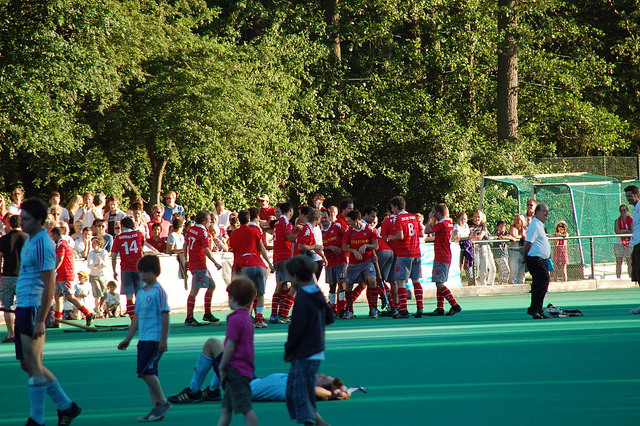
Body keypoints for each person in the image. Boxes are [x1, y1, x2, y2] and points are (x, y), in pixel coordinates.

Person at [15, 198, 82, 426]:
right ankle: (67, 406)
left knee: (34, 363)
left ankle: (37, 419)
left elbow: (50, 284)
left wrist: (41, 319)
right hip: (24, 305)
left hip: (34, 306)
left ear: (39, 220)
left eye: (26, 219)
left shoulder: (44, 243)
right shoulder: (30, 240)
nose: (21, 223)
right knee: (28, 363)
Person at [168, 337, 361, 404]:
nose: (320, 374)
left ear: (322, 387)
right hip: (251, 379)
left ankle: (194, 392)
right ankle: (211, 392)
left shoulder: (301, 389)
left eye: (323, 377)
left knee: (212, 344)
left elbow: (317, 391)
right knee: (231, 347)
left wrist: (333, 392)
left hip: (240, 385)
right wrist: (342, 387)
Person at [118, 254, 171, 422]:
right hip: (143, 339)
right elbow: (136, 318)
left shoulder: (159, 292)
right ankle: (156, 409)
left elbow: (165, 316)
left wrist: (163, 340)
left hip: (154, 339)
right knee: (149, 372)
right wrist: (128, 338)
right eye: (140, 272)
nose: (142, 275)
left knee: (144, 371)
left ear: (155, 272)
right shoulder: (140, 293)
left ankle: (163, 402)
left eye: (145, 272)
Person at [284, 255, 334, 426]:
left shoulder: (302, 298)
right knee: (303, 390)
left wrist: (289, 349)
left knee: (299, 393)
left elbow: (296, 328)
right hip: (316, 349)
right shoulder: (316, 294)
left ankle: (313, 422)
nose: (289, 280)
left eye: (290, 276)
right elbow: (329, 317)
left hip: (304, 351)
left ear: (296, 276)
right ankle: (318, 422)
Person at [216, 276, 259, 426]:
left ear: (233, 298)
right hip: (245, 367)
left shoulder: (234, 319)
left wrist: (222, 365)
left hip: (236, 369)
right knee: (226, 407)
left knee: (246, 408)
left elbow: (230, 346)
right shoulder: (248, 318)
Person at [228, 210, 275, 328]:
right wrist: (269, 263)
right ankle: (259, 319)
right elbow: (262, 249)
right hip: (260, 265)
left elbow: (235, 252)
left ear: (239, 220)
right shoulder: (255, 231)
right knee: (260, 294)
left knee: (247, 295)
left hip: (245, 265)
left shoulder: (233, 234)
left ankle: (246, 320)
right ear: (249, 219)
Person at [387, 196, 424, 318]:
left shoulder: (399, 219)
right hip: (416, 252)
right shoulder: (414, 217)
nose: (392, 210)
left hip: (404, 253)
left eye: (392, 208)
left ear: (396, 207)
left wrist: (390, 237)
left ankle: (403, 310)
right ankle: (420, 307)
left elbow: (400, 236)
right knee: (416, 280)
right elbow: (421, 233)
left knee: (400, 281)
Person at [184, 210, 223, 326]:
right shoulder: (202, 232)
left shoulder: (191, 229)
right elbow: (206, 249)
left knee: (211, 285)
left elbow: (185, 244)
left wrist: (186, 259)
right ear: (205, 221)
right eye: (209, 221)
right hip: (199, 264)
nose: (210, 223)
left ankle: (207, 313)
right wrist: (216, 262)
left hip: (195, 263)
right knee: (195, 290)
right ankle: (189, 318)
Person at [51, 226, 95, 326]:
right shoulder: (60, 244)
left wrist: (53, 269)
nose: (52, 238)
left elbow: (60, 258)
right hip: (60, 274)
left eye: (53, 236)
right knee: (58, 296)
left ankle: (88, 314)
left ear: (56, 235)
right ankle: (58, 320)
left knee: (69, 296)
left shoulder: (62, 244)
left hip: (66, 274)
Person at [424, 203, 462, 316]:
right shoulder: (449, 222)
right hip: (444, 254)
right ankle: (440, 308)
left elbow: (427, 231)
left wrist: (430, 219)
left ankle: (454, 305)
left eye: (435, 213)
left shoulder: (442, 224)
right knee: (438, 282)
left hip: (441, 256)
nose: (434, 215)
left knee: (439, 283)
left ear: (439, 213)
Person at [341, 209, 379, 319]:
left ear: (357, 220)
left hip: (367, 261)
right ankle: (350, 310)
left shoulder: (369, 229)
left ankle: (373, 309)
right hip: (353, 263)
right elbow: (344, 247)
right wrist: (353, 251)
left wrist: (367, 246)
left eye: (350, 221)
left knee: (372, 280)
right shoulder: (349, 231)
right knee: (348, 286)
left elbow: (375, 245)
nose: (349, 224)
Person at [111, 217, 148, 319]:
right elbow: (142, 250)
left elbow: (113, 256)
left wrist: (114, 270)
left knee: (129, 297)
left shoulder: (119, 238)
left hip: (126, 269)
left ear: (123, 226)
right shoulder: (139, 235)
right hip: (139, 269)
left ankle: (133, 320)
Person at [0, 214, 27, 343]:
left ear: (9, 224)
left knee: (7, 305)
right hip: (25, 275)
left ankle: (11, 333)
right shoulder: (28, 238)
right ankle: (24, 332)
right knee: (24, 305)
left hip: (8, 275)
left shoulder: (4, 239)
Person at [270, 203, 298, 324]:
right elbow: (290, 237)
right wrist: (298, 231)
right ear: (291, 211)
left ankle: (277, 313)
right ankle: (282, 314)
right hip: (285, 257)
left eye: (277, 211)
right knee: (294, 284)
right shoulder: (284, 221)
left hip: (278, 257)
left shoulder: (277, 223)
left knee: (282, 285)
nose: (275, 213)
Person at [523, 203, 552, 319]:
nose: (547, 214)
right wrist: (525, 258)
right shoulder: (535, 225)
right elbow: (528, 243)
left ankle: (537, 309)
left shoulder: (540, 225)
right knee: (542, 282)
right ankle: (534, 309)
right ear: (537, 212)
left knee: (540, 284)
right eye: (544, 211)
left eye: (548, 211)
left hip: (541, 259)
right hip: (535, 259)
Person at [320, 209, 346, 314]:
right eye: (322, 218)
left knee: (342, 284)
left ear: (329, 217)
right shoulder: (318, 230)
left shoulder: (337, 226)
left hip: (340, 259)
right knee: (332, 285)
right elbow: (317, 246)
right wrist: (329, 247)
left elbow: (346, 236)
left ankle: (342, 308)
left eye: (325, 217)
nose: (324, 220)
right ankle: (333, 308)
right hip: (329, 262)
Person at [470, 210, 495, 286]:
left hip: (484, 246)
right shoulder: (469, 224)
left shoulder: (483, 225)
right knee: (478, 266)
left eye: (478, 217)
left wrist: (474, 237)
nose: (477, 219)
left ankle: (490, 283)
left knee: (491, 266)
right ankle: (482, 283)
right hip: (474, 248)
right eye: (475, 216)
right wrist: (472, 237)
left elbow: (480, 236)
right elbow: (469, 236)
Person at [626, 186, 640, 313]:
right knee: (638, 275)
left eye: (630, 196)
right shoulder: (635, 209)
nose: (628, 199)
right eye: (627, 196)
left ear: (637, 194)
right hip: (637, 244)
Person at [87, 236, 109, 316]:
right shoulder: (91, 253)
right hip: (94, 275)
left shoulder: (104, 252)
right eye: (92, 243)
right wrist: (96, 265)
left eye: (95, 243)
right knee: (98, 292)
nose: (93, 245)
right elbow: (89, 264)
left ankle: (100, 307)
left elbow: (106, 263)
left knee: (104, 292)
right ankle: (97, 308)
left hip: (102, 275)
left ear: (99, 244)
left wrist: (101, 262)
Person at [614, 204, 633, 280]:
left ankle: (631, 277)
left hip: (629, 243)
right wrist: (626, 231)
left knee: (630, 262)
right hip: (619, 243)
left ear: (627, 211)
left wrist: (624, 232)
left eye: (624, 210)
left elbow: (632, 230)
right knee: (619, 262)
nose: (623, 212)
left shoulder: (631, 220)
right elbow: (617, 231)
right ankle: (618, 278)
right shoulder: (617, 221)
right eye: (621, 211)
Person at [508, 214, 527, 284]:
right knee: (514, 271)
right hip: (513, 251)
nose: (517, 221)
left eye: (519, 220)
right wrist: (522, 236)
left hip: (522, 252)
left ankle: (520, 285)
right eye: (516, 219)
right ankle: (512, 286)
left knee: (521, 272)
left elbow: (527, 236)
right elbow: (514, 235)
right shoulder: (512, 227)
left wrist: (522, 236)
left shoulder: (525, 228)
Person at [492, 220, 513, 285]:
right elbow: (496, 237)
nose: (502, 228)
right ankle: (504, 282)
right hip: (498, 255)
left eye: (503, 227)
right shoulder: (495, 234)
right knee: (506, 270)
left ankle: (500, 283)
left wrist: (505, 237)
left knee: (501, 271)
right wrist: (500, 236)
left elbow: (511, 237)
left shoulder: (506, 233)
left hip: (505, 254)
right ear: (497, 227)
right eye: (500, 227)